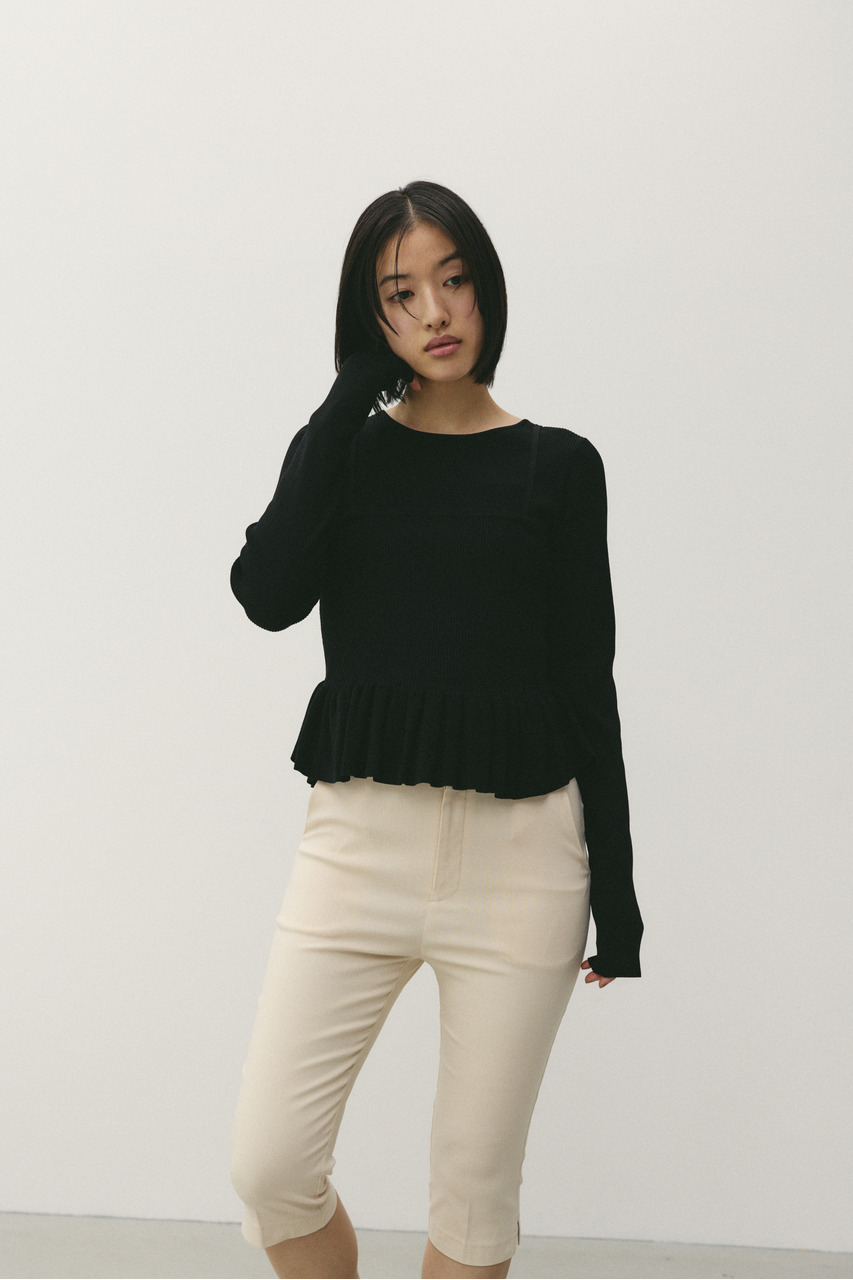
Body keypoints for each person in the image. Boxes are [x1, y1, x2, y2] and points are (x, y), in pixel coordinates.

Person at [229, 179, 643, 1280]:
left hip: (521, 864)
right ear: (369, 317)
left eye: (452, 280)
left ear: (485, 287)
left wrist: (617, 894)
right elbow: (266, 594)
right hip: (356, 850)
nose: (434, 311)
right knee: (269, 1166)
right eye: (399, 293)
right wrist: (342, 403)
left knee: (471, 1196)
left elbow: (586, 685)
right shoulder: (346, 455)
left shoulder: (560, 466)